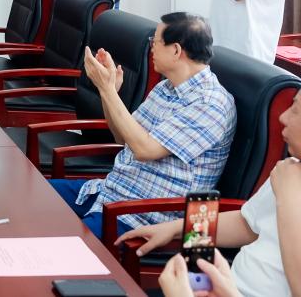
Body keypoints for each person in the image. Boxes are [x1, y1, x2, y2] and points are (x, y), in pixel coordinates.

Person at [49, 13, 236, 239]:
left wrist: (107, 90)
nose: (151, 48)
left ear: (176, 50)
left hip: (143, 216)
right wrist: (109, 91)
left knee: (59, 244)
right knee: (31, 195)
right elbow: (122, 137)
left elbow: (144, 150)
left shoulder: (210, 104)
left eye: (155, 42)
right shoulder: (165, 88)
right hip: (111, 191)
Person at [120, 88, 301, 297]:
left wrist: (288, 199)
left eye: (296, 111)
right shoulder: (290, 170)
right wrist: (175, 228)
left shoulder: (287, 183)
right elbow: (247, 224)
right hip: (227, 287)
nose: (283, 117)